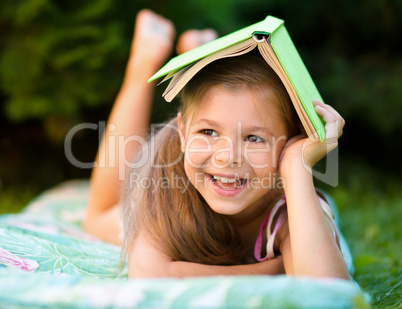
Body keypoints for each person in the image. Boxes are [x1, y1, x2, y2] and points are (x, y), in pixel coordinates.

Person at [83, 9, 349, 280]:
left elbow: (329, 291)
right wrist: (273, 269)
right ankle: (144, 62)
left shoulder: (287, 211)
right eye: (208, 131)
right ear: (183, 133)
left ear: (290, 142)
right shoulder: (166, 184)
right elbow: (149, 272)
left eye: (253, 138)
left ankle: (200, 52)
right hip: (174, 180)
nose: (227, 157)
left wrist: (296, 165)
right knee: (97, 217)